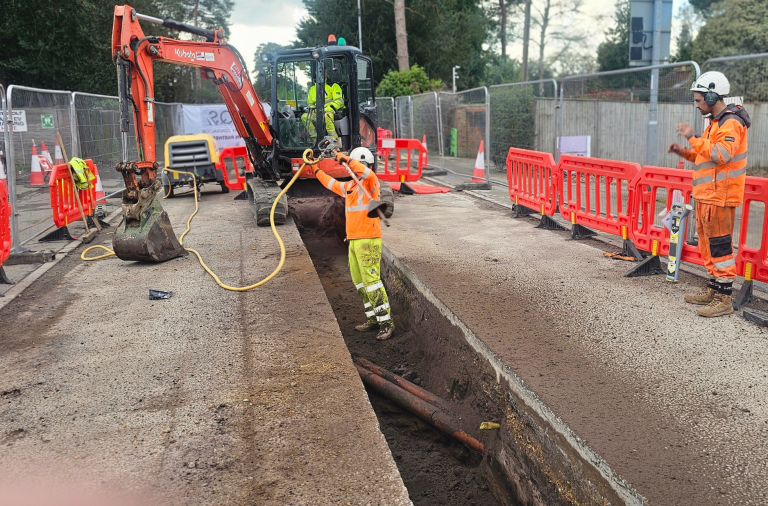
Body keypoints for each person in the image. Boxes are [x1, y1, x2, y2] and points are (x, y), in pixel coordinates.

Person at [668, 71, 750, 317]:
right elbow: (704, 155)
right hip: (707, 196)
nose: (696, 104)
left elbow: (721, 155)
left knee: (720, 248)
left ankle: (724, 299)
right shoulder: (715, 123)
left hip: (721, 196)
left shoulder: (732, 122)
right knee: (707, 245)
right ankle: (714, 289)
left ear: (713, 96)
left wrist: (692, 137)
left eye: (698, 99)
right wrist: (684, 151)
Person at [311, 146, 394, 341]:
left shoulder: (371, 182)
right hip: (354, 241)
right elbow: (330, 183)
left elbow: (363, 171)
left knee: (372, 283)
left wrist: (343, 157)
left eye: (359, 165)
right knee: (360, 283)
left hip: (369, 240)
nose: (357, 169)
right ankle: (373, 318)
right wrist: (316, 169)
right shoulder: (350, 188)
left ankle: (386, 323)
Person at [302, 66, 344, 142]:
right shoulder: (312, 89)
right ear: (316, 73)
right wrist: (314, 109)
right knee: (304, 117)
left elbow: (339, 101)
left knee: (328, 116)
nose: (321, 73)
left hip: (329, 111)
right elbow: (310, 103)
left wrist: (325, 109)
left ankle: (334, 141)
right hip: (317, 113)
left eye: (323, 71)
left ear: (327, 73)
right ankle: (314, 139)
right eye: (318, 72)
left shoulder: (334, 86)